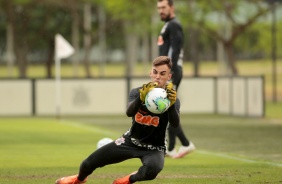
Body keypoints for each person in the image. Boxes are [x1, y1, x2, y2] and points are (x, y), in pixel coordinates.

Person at [55, 56, 179, 184]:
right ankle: (79, 179)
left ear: (169, 77)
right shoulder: (138, 92)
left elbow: (175, 124)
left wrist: (171, 105)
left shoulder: (172, 99)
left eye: (162, 73)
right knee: (88, 163)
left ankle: (128, 180)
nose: (157, 76)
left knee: (152, 171)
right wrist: (141, 98)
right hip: (131, 141)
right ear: (150, 73)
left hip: (155, 147)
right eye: (155, 72)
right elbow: (129, 112)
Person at [157, 0, 195, 158]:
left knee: (166, 109)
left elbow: (176, 48)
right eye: (159, 8)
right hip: (169, 71)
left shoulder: (174, 24)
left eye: (164, 7)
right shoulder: (167, 25)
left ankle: (186, 144)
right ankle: (171, 148)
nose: (161, 10)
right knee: (168, 108)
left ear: (171, 7)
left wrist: (167, 71)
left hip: (172, 72)